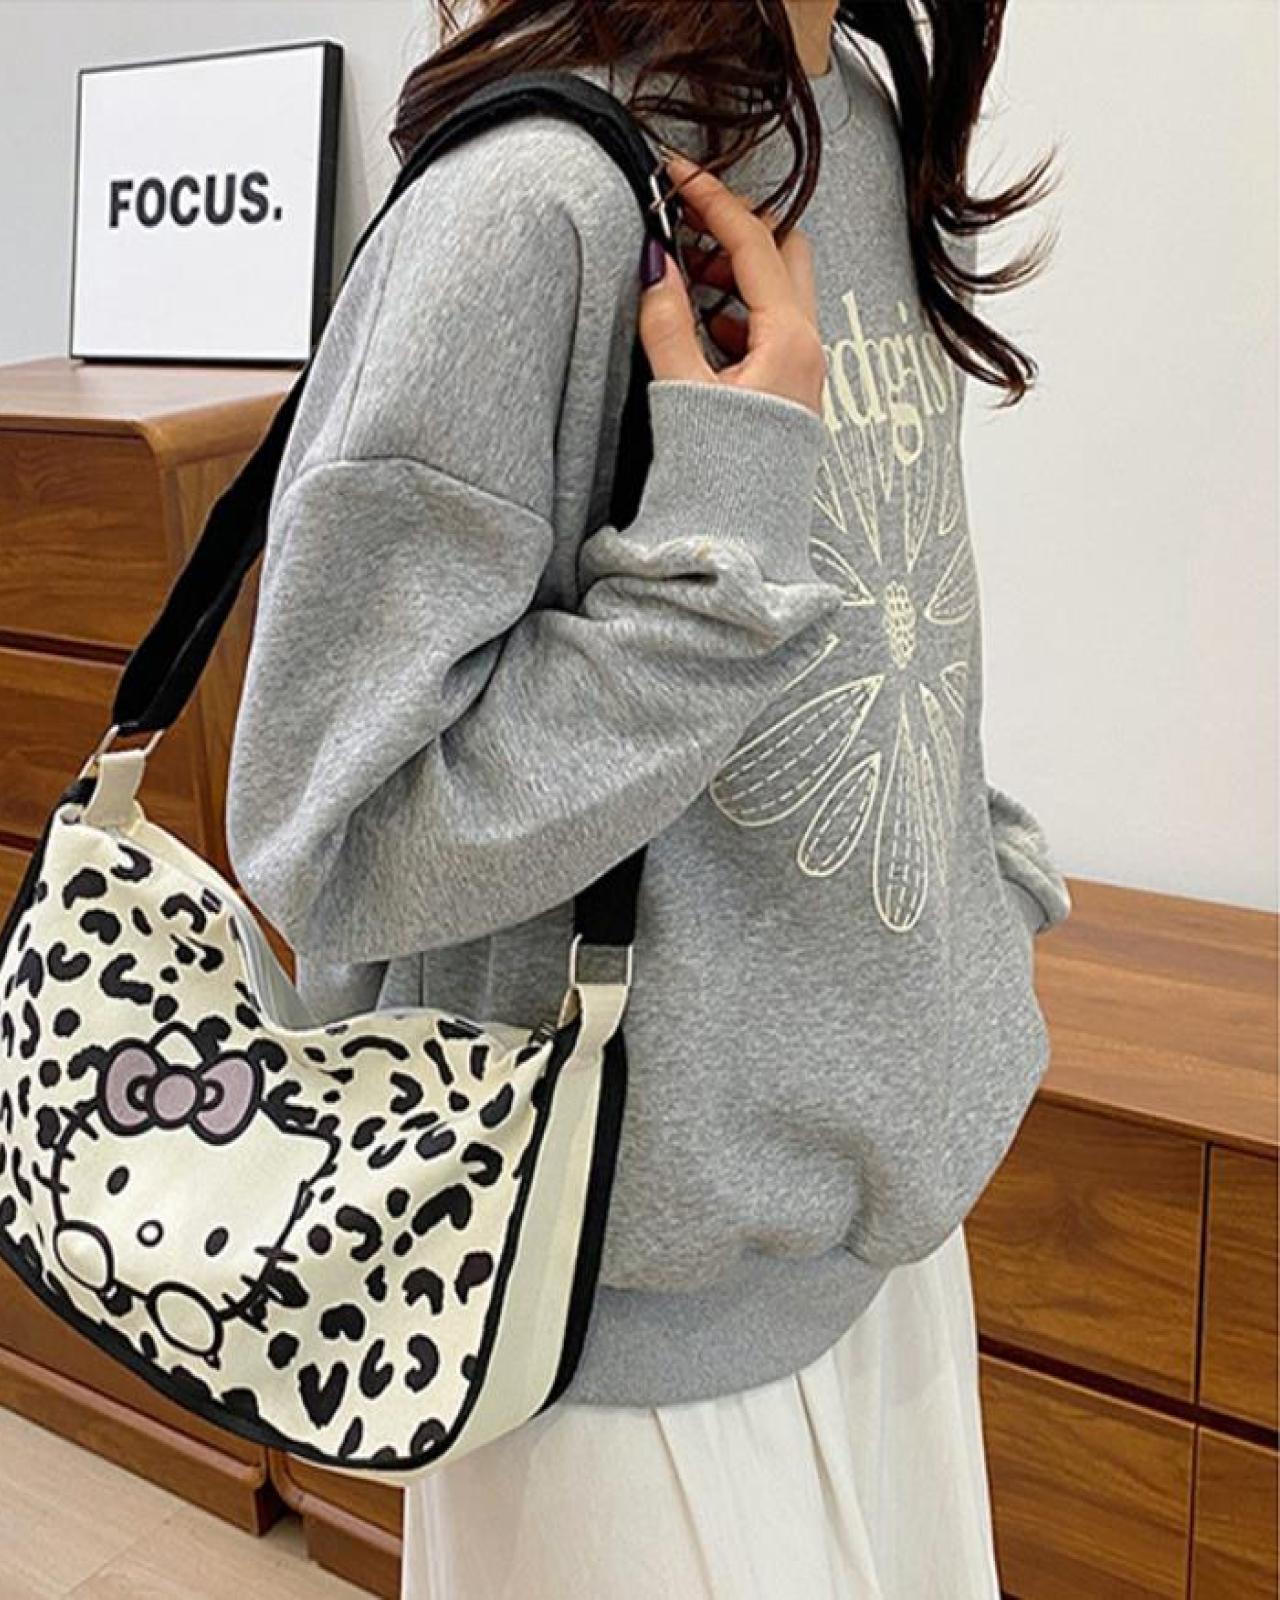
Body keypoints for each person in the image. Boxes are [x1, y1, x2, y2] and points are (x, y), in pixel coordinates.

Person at [227, 1, 1070, 1594]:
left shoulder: (856, 109)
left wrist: (972, 892)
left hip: (882, 1236)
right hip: (614, 1336)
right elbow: (330, 835)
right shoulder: (532, 205)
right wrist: (717, 538)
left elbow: (888, 605)